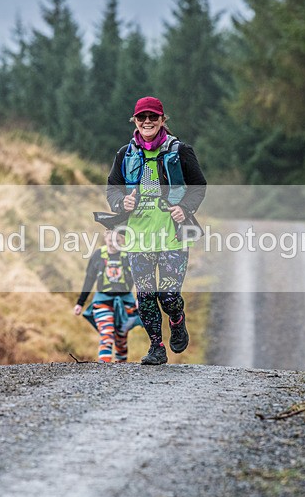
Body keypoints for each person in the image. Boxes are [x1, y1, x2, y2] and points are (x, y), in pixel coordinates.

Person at [106, 96, 207, 365]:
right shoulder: (124, 154)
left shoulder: (180, 151)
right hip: (138, 238)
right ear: (135, 121)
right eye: (142, 117)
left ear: (163, 120)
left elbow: (199, 185)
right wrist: (121, 203)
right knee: (146, 296)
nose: (147, 121)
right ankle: (156, 348)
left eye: (153, 116)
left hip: (172, 236)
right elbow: (112, 188)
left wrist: (185, 208)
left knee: (169, 295)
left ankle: (177, 319)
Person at [73, 229, 140, 363]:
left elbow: (139, 278)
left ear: (123, 240)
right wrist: (80, 303)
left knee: (121, 338)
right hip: (102, 301)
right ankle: (103, 367)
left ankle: (121, 368)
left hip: (125, 301)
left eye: (117, 240)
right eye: (110, 240)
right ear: (105, 239)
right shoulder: (98, 255)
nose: (113, 244)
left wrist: (140, 298)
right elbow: (89, 279)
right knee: (106, 334)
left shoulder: (129, 256)